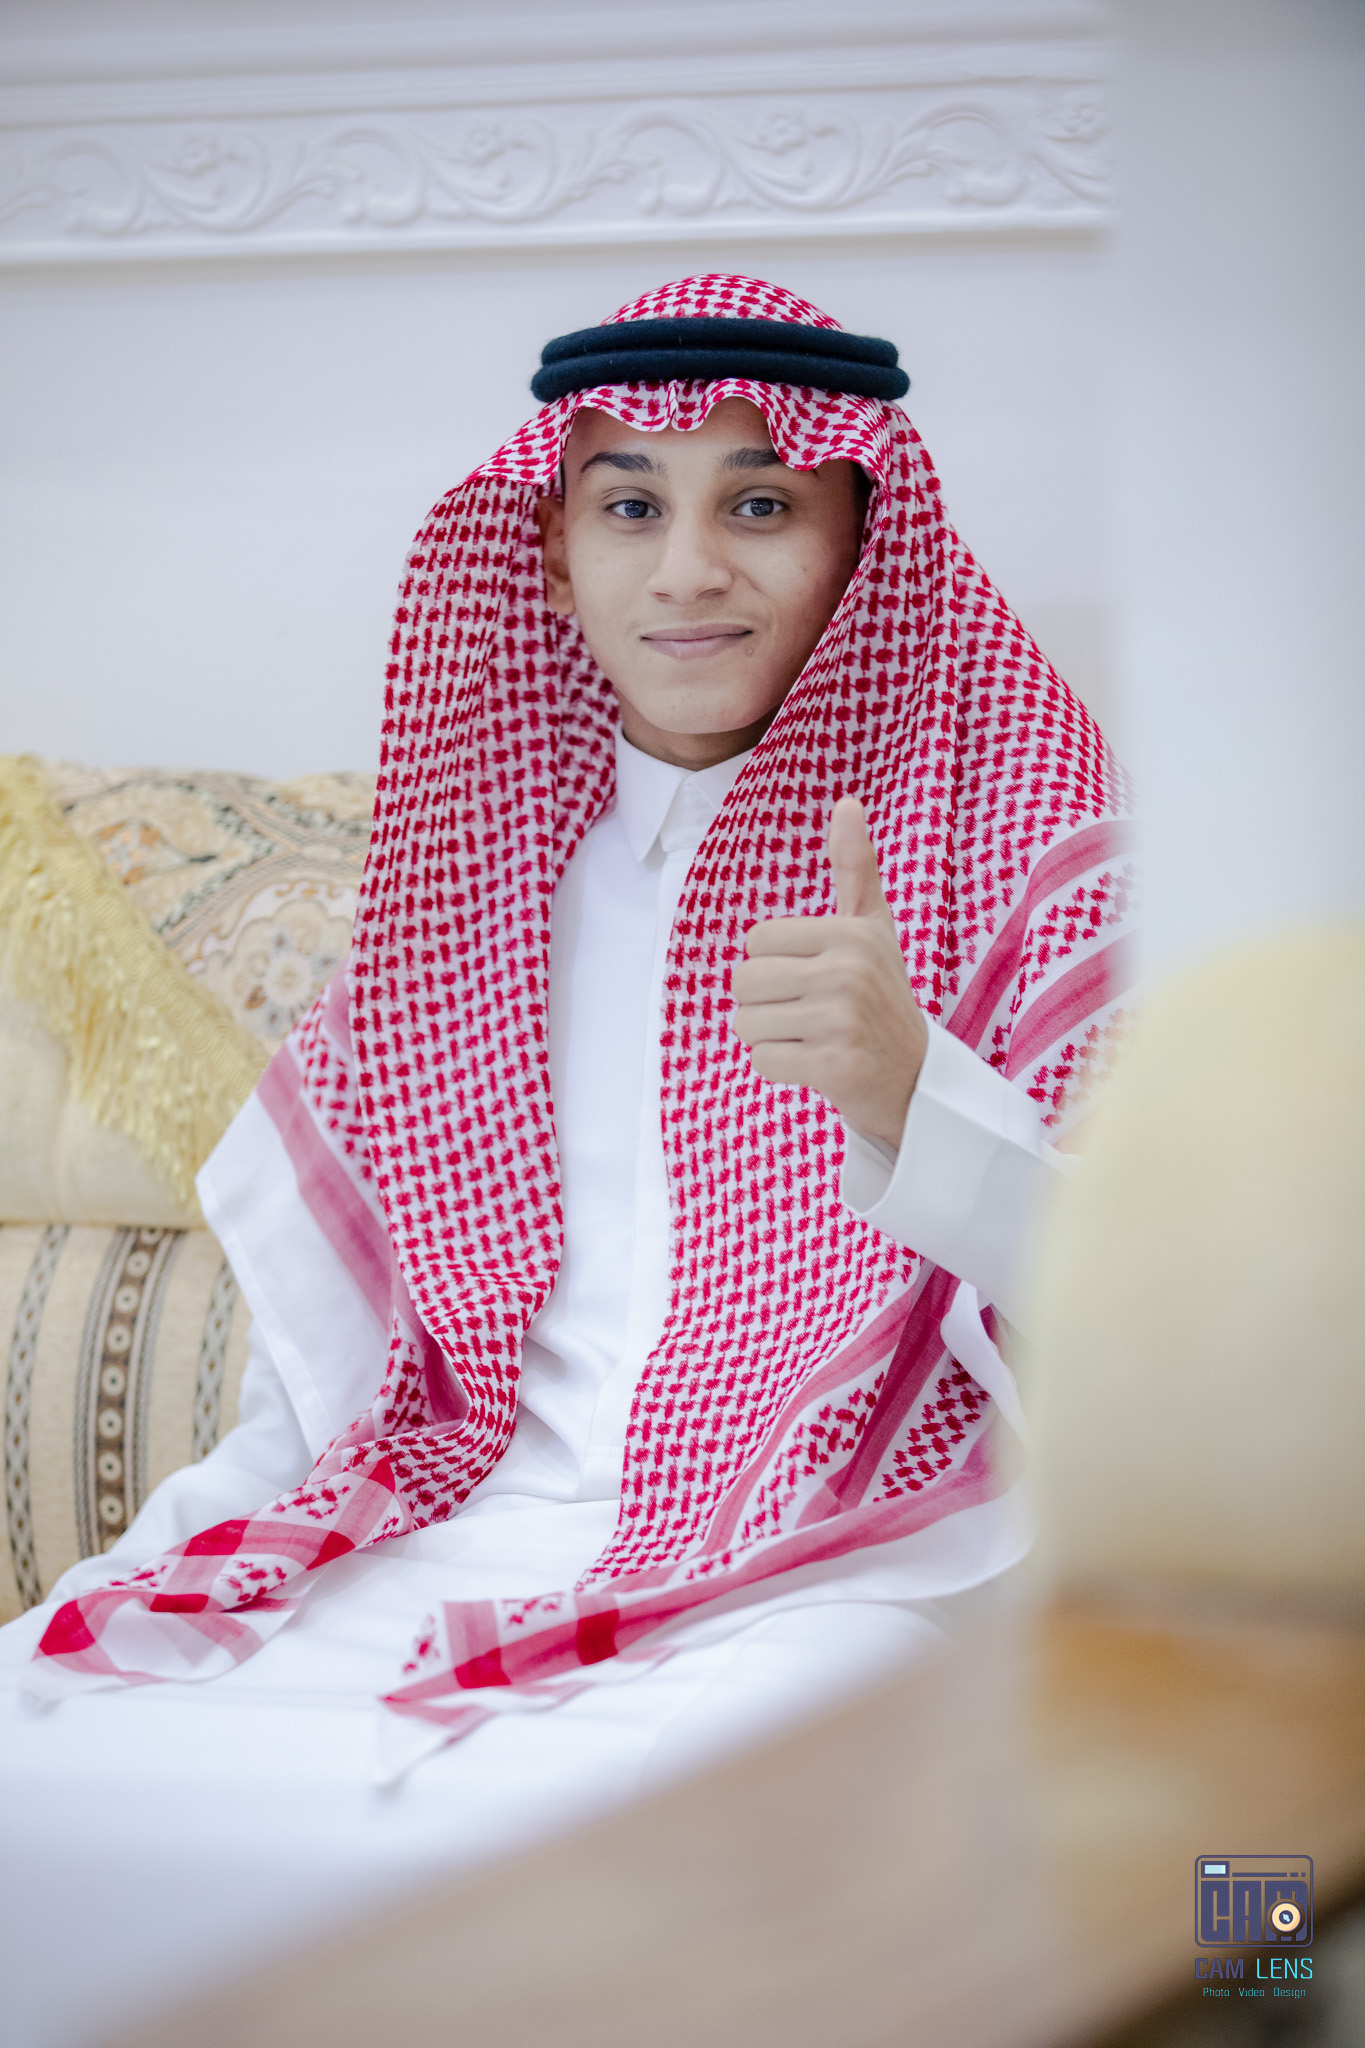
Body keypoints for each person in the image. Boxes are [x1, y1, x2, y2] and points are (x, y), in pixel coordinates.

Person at [0, 275, 1133, 2041]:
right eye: (627, 506)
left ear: (858, 539)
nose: (686, 569)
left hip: (824, 1561)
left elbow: (1142, 1330)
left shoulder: (1019, 856)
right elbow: (354, 1372)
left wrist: (915, 1089)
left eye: (757, 502)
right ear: (547, 550)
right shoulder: (472, 875)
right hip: (444, 1532)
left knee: (711, 1820)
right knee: (46, 1736)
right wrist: (178, 1558)